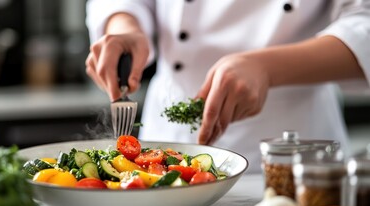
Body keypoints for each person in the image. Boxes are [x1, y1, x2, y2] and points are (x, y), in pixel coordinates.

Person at [85, 0, 369, 173]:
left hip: (292, 157)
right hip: (167, 143)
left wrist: (267, 69)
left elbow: (364, 23)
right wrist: (123, 26)